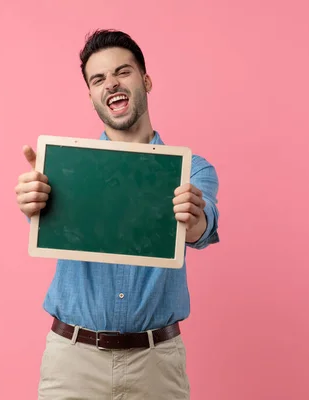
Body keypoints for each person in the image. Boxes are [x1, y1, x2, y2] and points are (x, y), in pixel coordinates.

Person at [15, 29, 220, 399]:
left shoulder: (191, 170)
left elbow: (203, 228)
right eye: (98, 79)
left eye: (122, 72)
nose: (111, 83)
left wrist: (194, 220)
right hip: (73, 363)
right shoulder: (65, 172)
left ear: (145, 80)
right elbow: (44, 218)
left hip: (157, 365)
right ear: (92, 95)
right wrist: (34, 199)